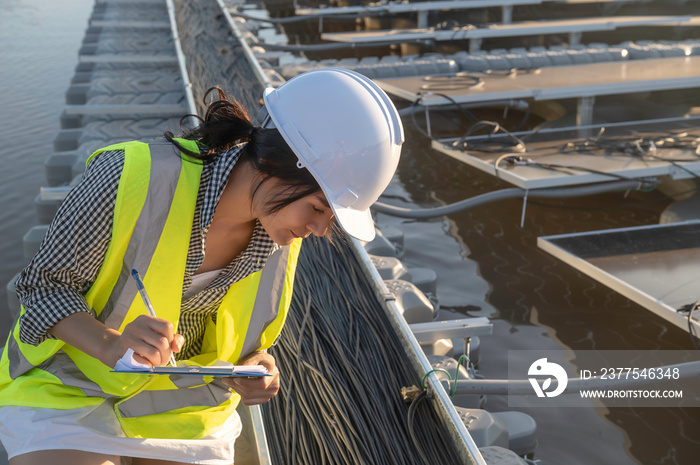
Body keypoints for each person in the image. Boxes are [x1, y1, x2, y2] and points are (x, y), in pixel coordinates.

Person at [0, 68, 404, 465]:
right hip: (71, 384)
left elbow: (245, 343)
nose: (318, 229)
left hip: (181, 407)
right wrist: (110, 343)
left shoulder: (281, 231)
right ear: (277, 164)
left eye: (331, 218)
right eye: (318, 207)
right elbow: (41, 288)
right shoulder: (129, 178)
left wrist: (252, 366)